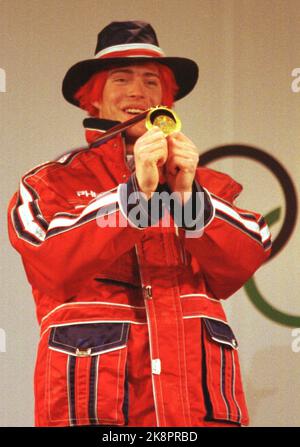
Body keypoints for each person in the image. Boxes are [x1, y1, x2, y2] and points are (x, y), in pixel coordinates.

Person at [7, 20, 271, 427]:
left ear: (167, 99)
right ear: (92, 98)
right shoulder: (50, 182)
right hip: (96, 409)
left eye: (152, 81)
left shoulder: (206, 184)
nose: (138, 92)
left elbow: (245, 257)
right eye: (121, 79)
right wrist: (134, 197)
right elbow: (51, 262)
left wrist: (188, 196)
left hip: (197, 416)